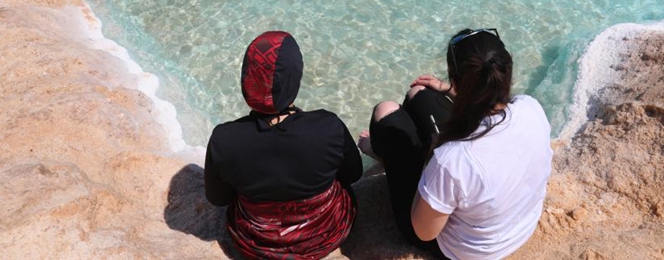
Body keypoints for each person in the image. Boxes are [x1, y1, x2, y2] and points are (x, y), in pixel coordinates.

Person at [359, 28, 553, 259]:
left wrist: (430, 161)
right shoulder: (530, 107)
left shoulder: (451, 159)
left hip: (465, 249)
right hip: (519, 226)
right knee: (418, 92)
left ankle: (381, 153)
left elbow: (424, 232)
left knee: (386, 111)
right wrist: (449, 90)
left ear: (457, 79)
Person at [204, 31, 363, 260]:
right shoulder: (328, 127)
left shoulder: (224, 139)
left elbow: (219, 198)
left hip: (256, 244)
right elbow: (353, 174)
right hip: (326, 234)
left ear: (246, 80)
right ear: (295, 78)